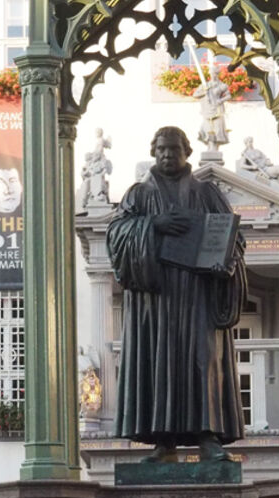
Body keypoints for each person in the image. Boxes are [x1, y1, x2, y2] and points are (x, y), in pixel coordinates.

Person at [106, 126, 247, 463]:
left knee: (203, 359)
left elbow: (232, 238)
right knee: (158, 361)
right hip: (156, 299)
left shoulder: (207, 193)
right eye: (161, 150)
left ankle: (208, 434)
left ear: (187, 152)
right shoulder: (138, 195)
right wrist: (153, 225)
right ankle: (163, 441)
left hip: (197, 294)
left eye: (173, 149)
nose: (168, 155)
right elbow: (116, 235)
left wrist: (224, 264)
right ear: (153, 153)